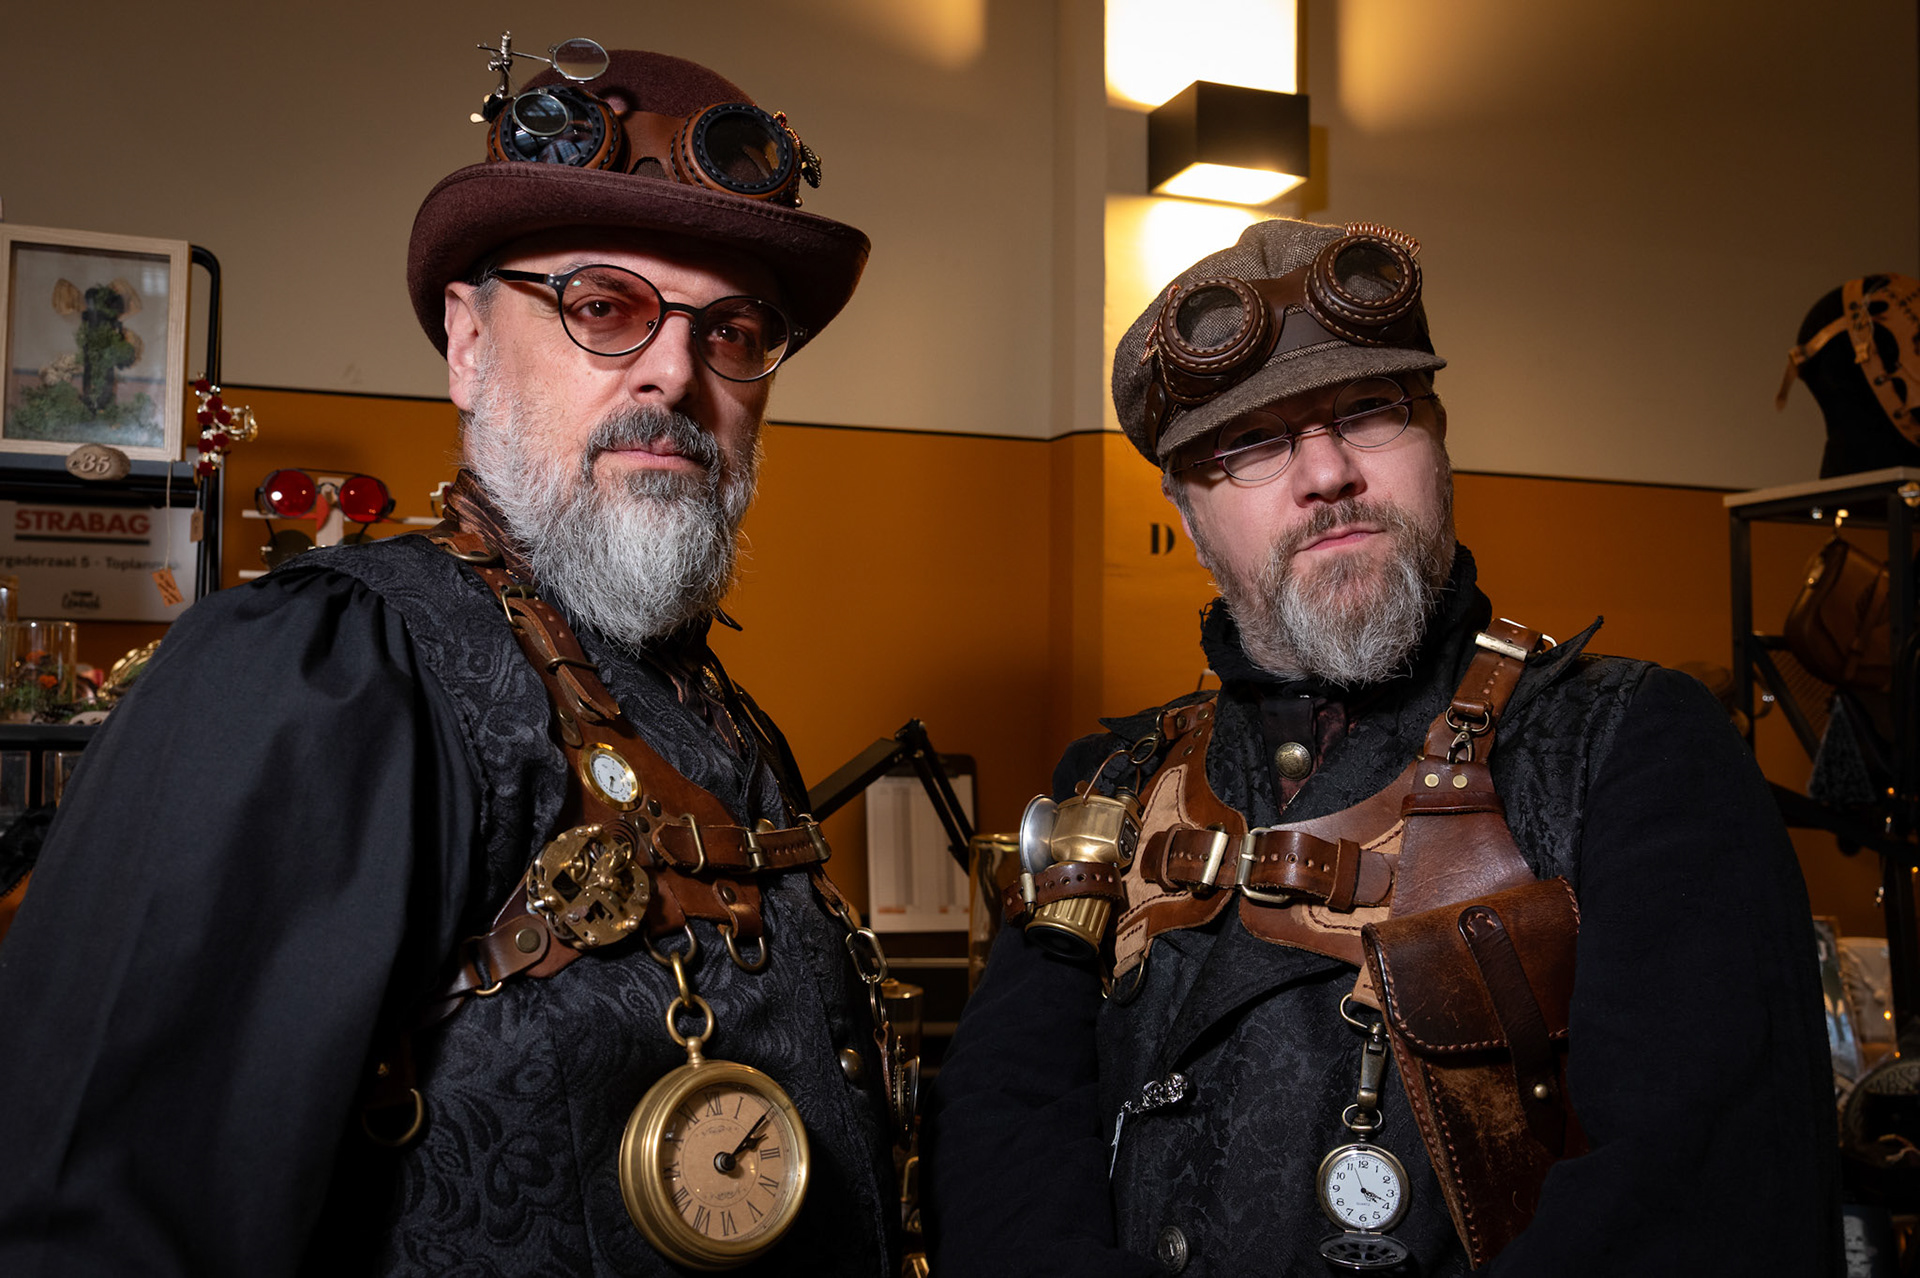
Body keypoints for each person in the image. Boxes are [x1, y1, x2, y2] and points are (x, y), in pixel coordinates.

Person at [0, 47, 900, 1275]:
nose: (676, 372)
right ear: (470, 345)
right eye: (602, 307)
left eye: (734, 330)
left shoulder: (714, 712)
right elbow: (94, 1226)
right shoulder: (322, 674)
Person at [925, 217, 1840, 1276]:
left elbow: (1698, 1199)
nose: (1327, 472)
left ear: (1437, 436)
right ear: (1187, 512)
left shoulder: (1628, 748)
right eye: (1251, 443)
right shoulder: (1117, 782)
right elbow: (1002, 1137)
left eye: (1369, 410)